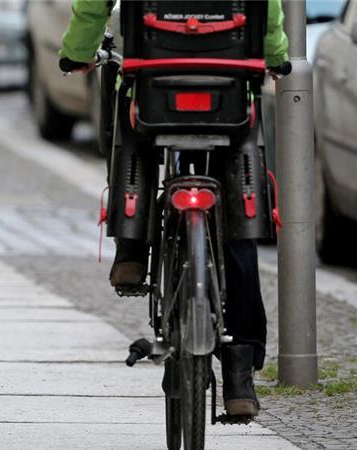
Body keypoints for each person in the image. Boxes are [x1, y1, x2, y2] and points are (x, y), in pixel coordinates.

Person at [58, 1, 290, 417]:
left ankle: (131, 246)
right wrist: (274, 56)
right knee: (237, 214)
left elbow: (93, 4)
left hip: (153, 76)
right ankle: (240, 375)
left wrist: (78, 52)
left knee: (132, 125)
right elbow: (268, 8)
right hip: (232, 83)